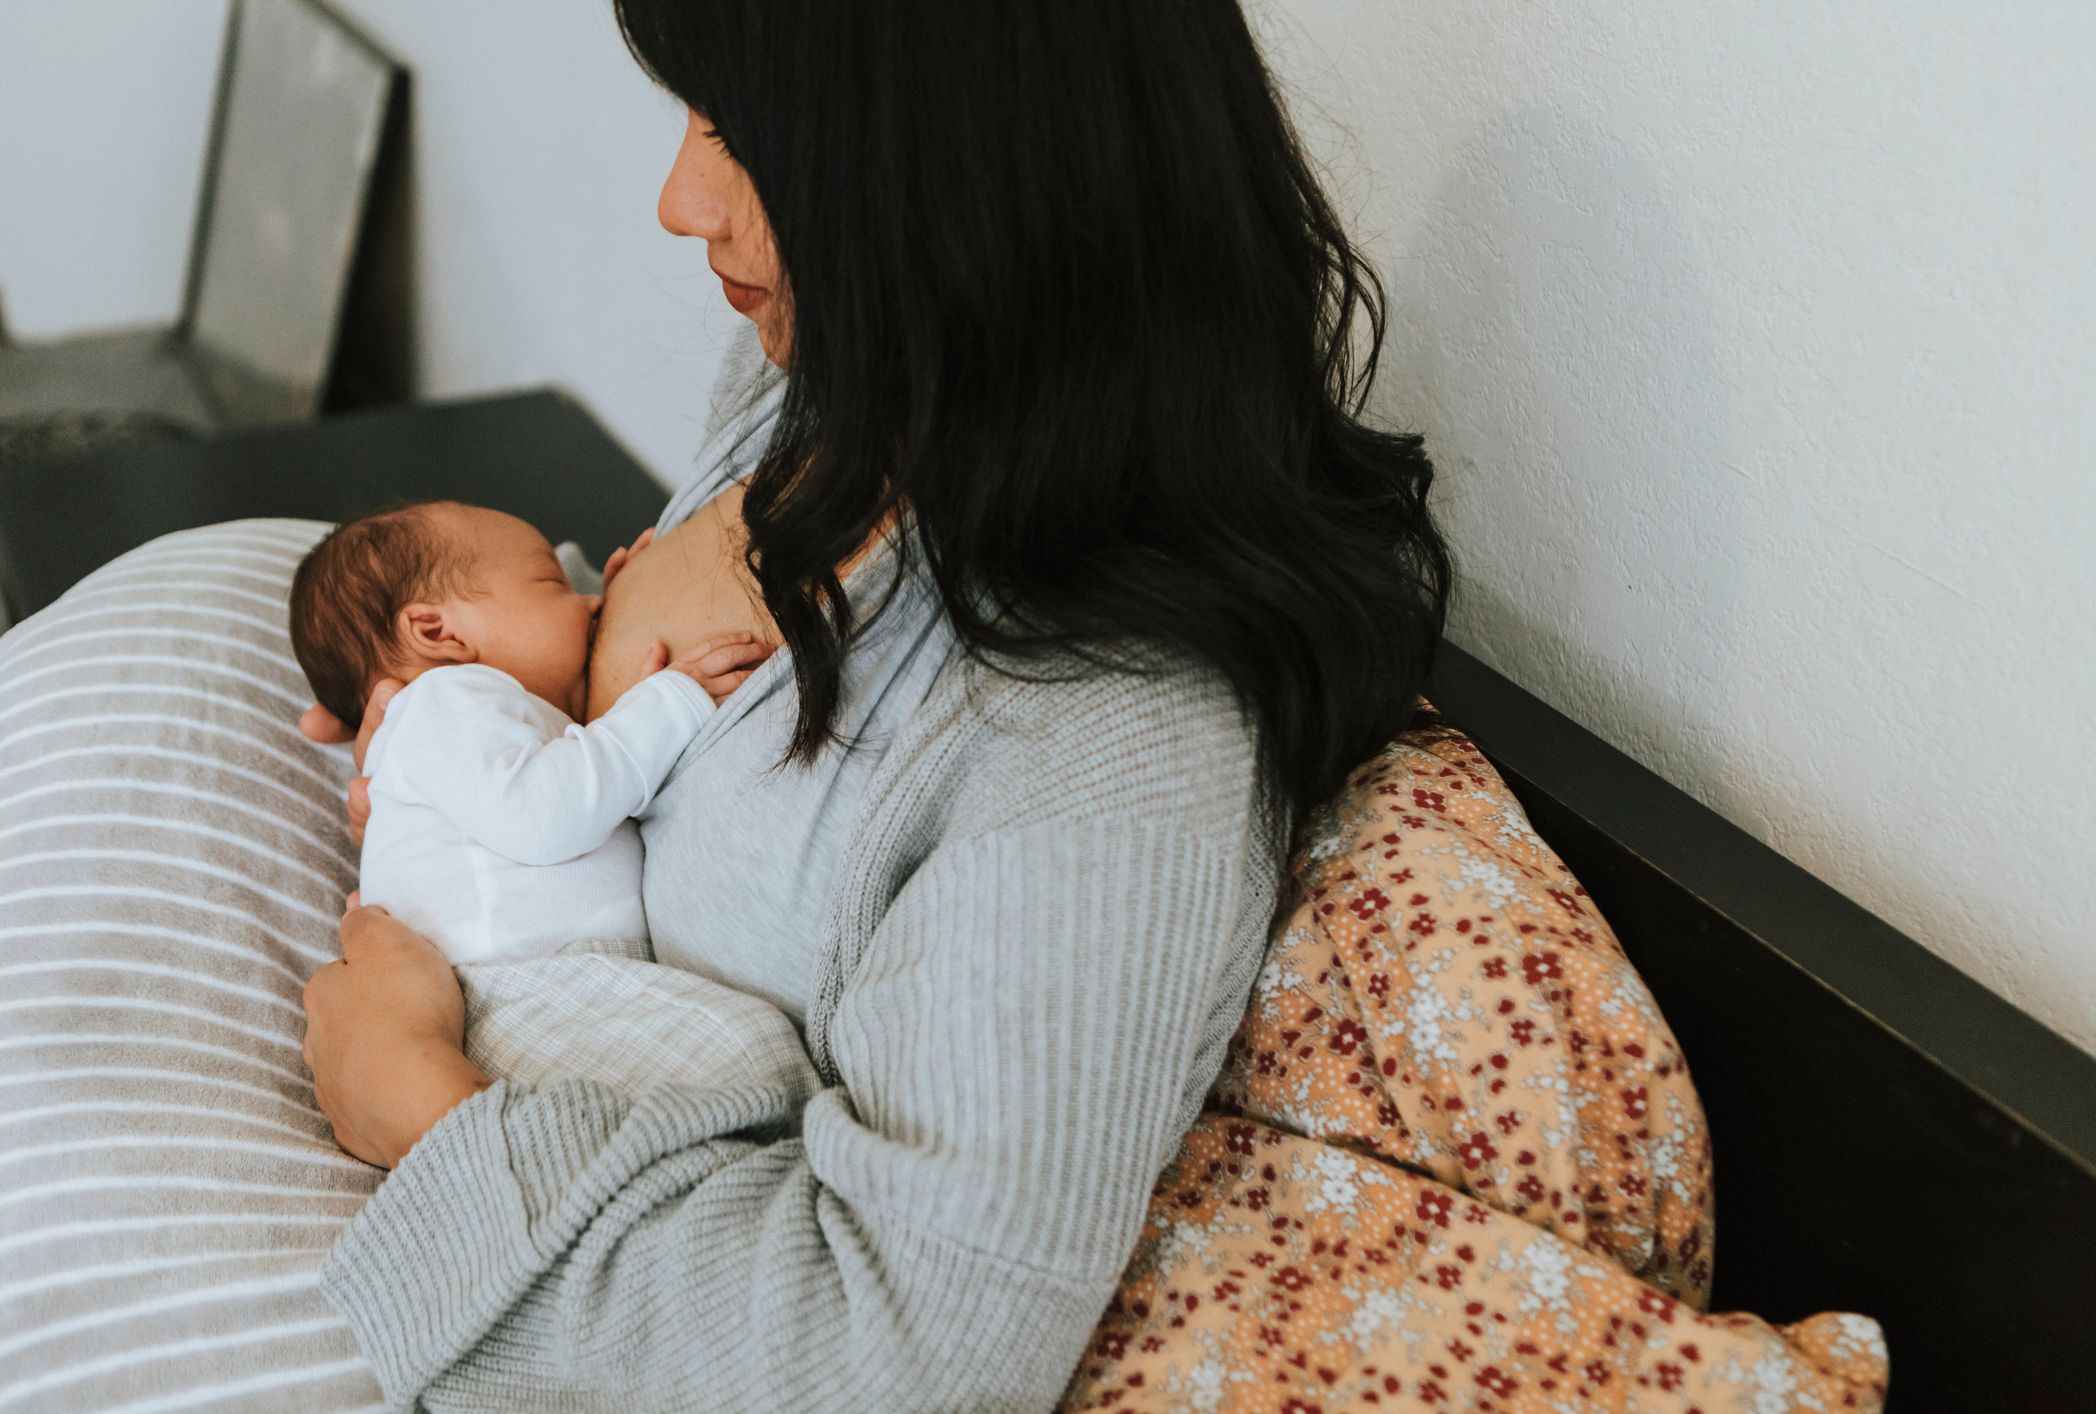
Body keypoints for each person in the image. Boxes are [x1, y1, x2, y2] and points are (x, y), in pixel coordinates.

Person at [297, 1, 1451, 1407]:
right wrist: (447, 694)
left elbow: (890, 1353)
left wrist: (413, 1096)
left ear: (948, 179)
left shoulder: (1097, 747)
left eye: (733, 133)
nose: (677, 201)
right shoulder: (835, 397)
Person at [286, 500, 768, 962]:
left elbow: (585, 782)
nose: (591, 600)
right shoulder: (439, 702)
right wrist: (668, 704)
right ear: (437, 633)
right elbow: (546, 815)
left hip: (558, 972)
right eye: (552, 581)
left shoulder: (487, 722)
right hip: (517, 977)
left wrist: (634, 618)